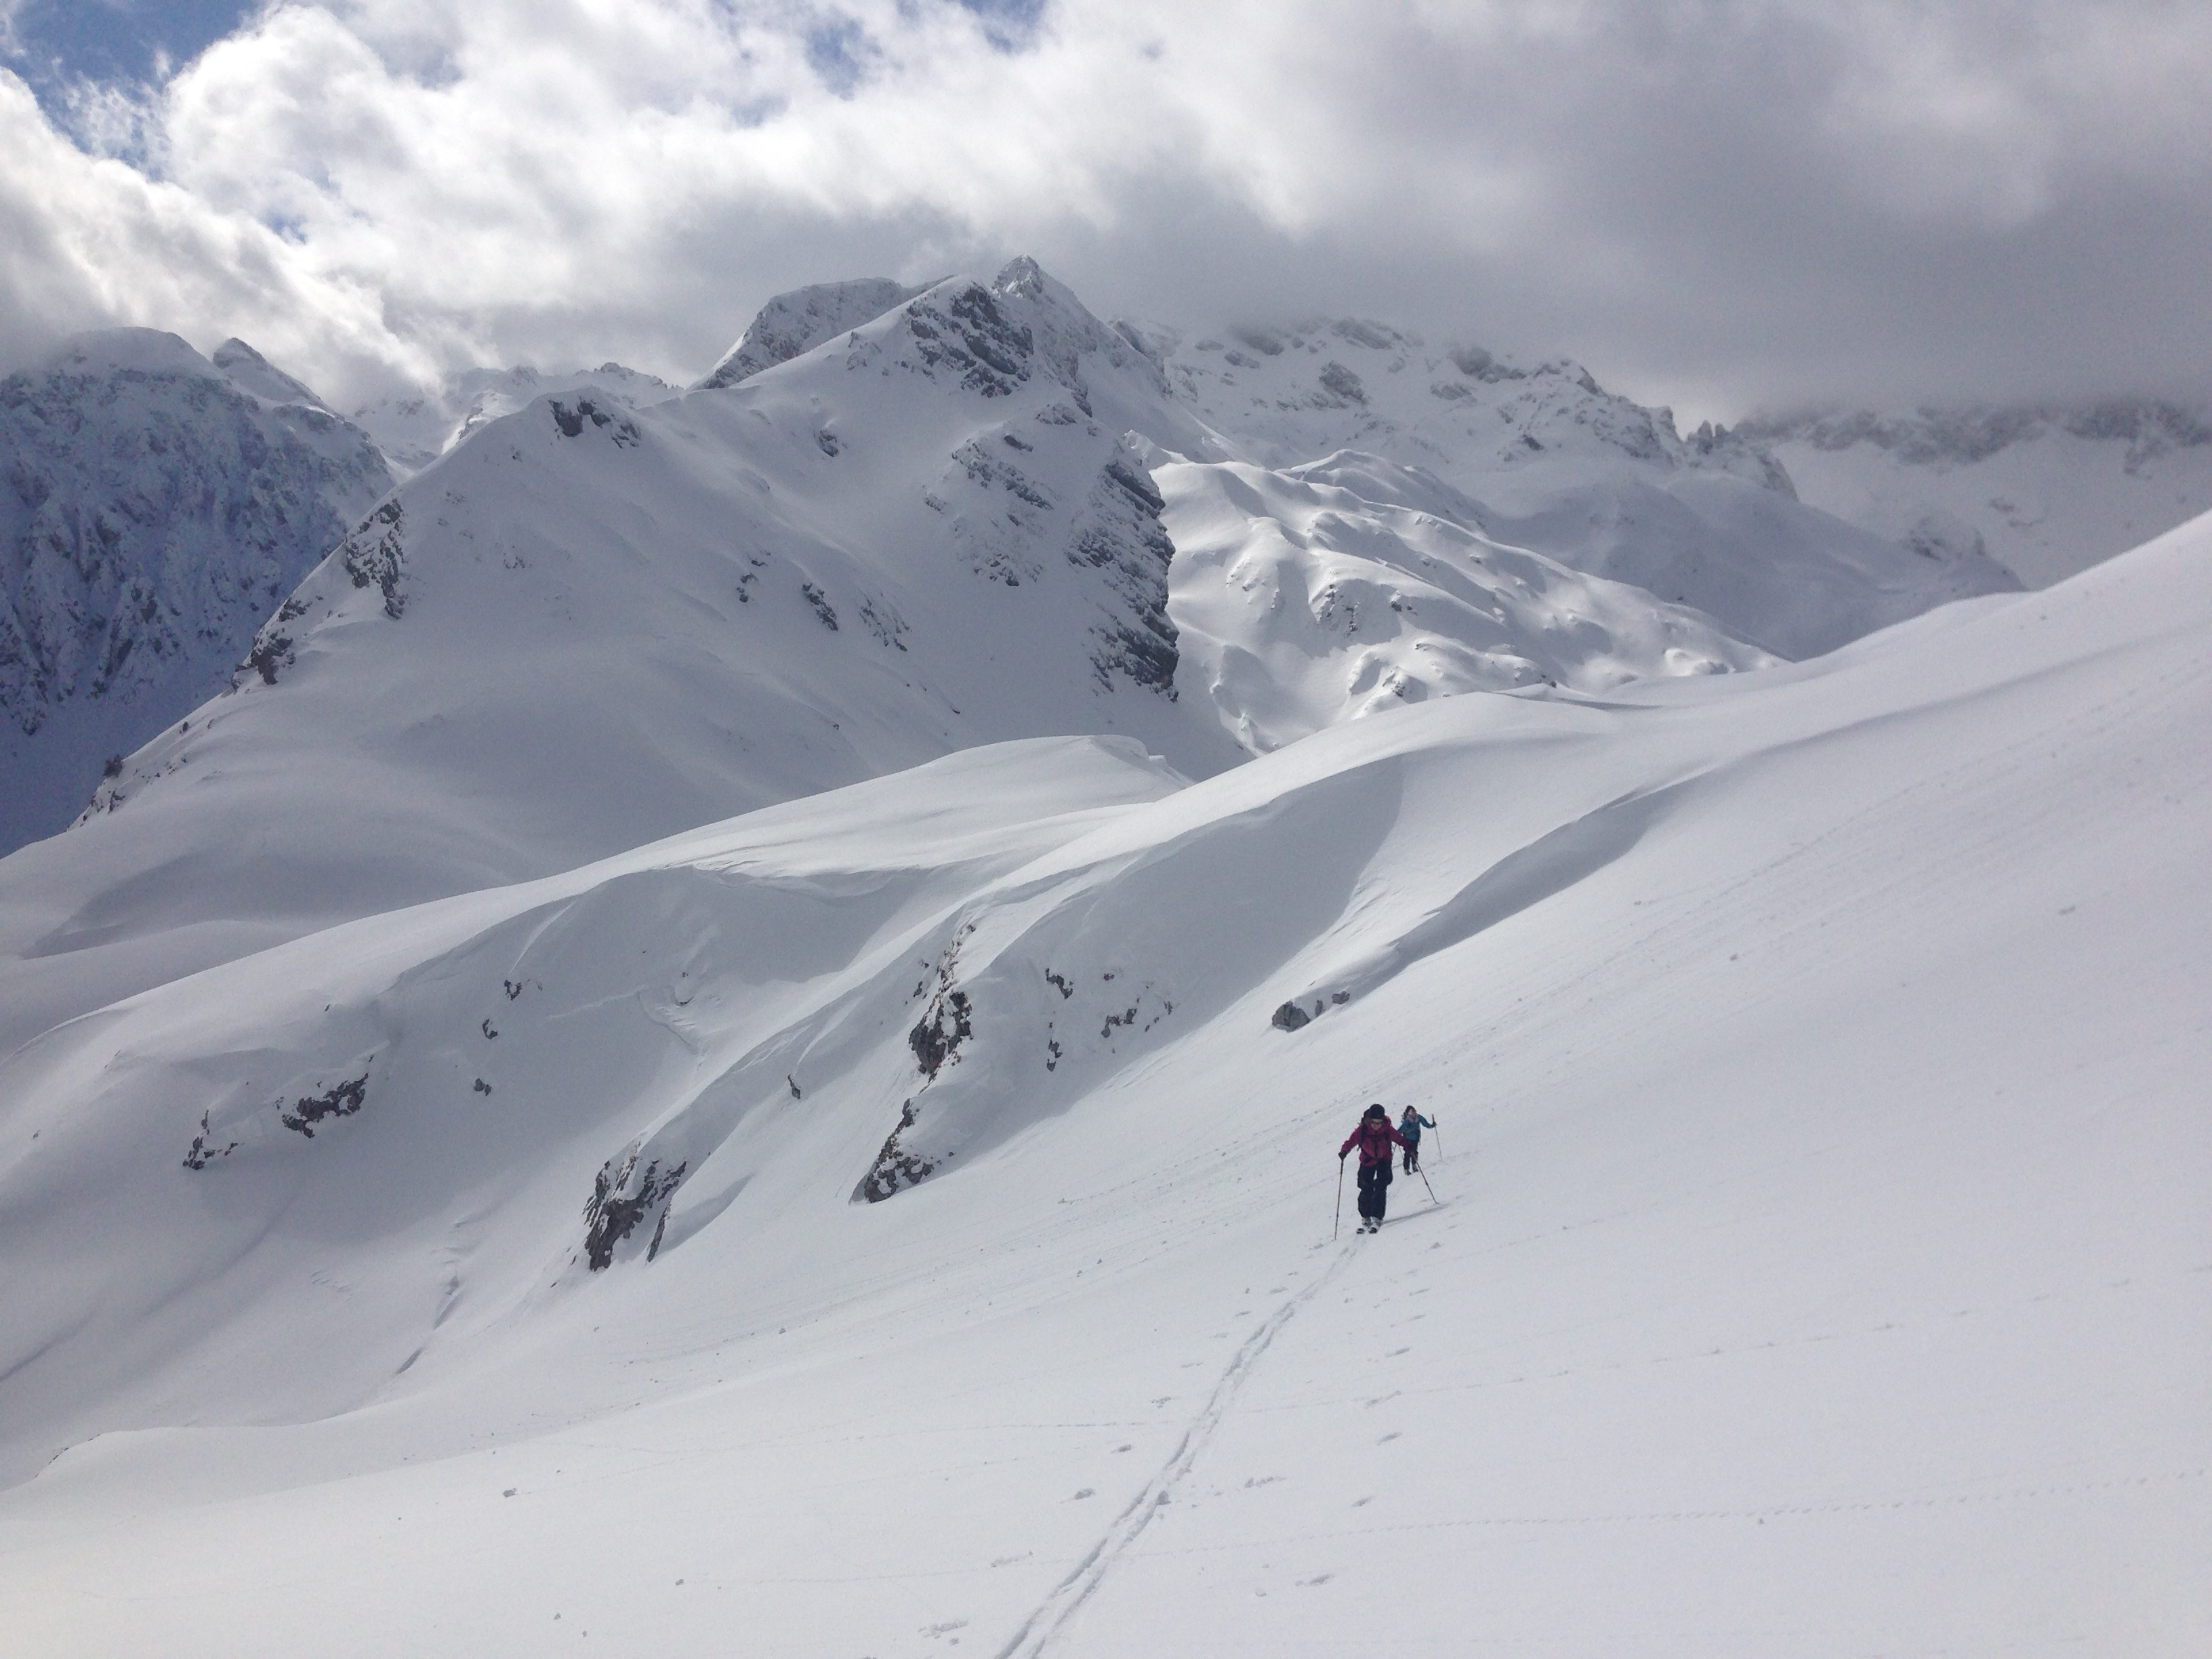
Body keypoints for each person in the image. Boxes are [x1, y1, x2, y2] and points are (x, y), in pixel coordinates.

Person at [1339, 1104, 1412, 1234]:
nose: (1376, 1126)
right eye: (1374, 1123)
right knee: (1365, 1187)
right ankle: (1366, 1215)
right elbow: (1351, 1141)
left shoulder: (1387, 1129)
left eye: (1379, 1123)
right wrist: (1344, 1151)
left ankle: (1377, 1216)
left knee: (1381, 1185)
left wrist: (1407, 1146)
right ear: (1369, 1120)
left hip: (1384, 1159)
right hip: (1367, 1160)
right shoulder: (1362, 1130)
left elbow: (1398, 1138)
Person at [1398, 1106, 1435, 1172]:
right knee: (1408, 1153)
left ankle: (1414, 1165)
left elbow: (1425, 1123)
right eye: (1411, 1112)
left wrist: (1431, 1126)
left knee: (1415, 1151)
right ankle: (1406, 1169)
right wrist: (1396, 1134)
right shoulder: (1407, 1120)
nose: (1413, 1114)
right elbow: (1402, 1128)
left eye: (1414, 1112)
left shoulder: (1418, 1118)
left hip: (1415, 1138)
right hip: (1408, 1139)